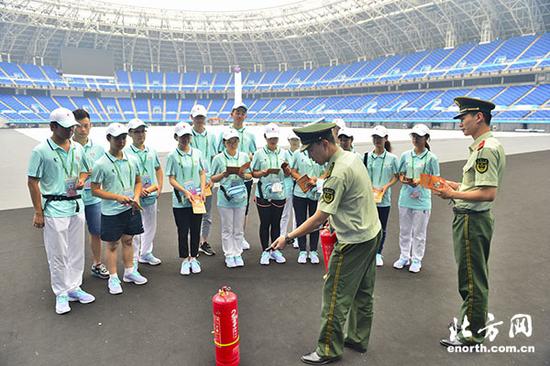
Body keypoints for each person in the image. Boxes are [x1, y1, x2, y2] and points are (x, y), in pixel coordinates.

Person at [271, 122, 382, 365]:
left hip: (353, 241)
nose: (310, 156)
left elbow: (318, 217)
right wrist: (336, 219)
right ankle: (358, 337)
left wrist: (288, 237)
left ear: (324, 144)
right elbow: (352, 200)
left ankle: (328, 349)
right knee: (363, 292)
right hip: (371, 233)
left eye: (311, 150)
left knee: (334, 295)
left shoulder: (337, 173)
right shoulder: (350, 158)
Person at [435, 97, 505, 347]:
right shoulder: (482, 146)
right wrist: (453, 185)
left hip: (472, 221)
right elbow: (475, 185)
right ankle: (470, 321)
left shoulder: (485, 148)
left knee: (472, 278)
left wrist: (452, 194)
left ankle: (472, 333)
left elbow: (488, 192)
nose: (460, 123)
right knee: (470, 275)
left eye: (464, 117)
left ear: (479, 117)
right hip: (472, 219)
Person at [27, 107, 95, 314]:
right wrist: (38, 212)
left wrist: (82, 179)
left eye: (72, 127)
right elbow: (32, 181)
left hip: (76, 205)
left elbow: (87, 168)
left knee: (76, 251)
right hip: (54, 207)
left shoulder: (77, 148)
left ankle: (74, 287)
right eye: (66, 128)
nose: (70, 131)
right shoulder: (40, 151)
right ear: (52, 127)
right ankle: (61, 293)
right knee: (58, 253)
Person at [91, 123, 147, 295]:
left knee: (129, 240)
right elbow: (95, 189)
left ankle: (129, 271)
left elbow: (138, 181)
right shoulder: (101, 163)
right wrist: (117, 197)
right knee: (112, 244)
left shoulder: (132, 159)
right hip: (111, 211)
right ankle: (113, 277)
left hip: (130, 207)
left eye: (123, 137)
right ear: (109, 139)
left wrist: (136, 197)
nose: (121, 141)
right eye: (117, 138)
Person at [393, 124, 440, 273]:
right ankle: (404, 256)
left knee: (419, 232)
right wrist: (404, 179)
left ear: (426, 138)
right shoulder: (406, 155)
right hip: (406, 197)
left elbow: (437, 180)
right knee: (405, 230)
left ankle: (416, 259)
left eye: (419, 136)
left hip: (422, 200)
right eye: (413, 136)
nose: (415, 139)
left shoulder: (432, 158)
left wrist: (420, 181)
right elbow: (399, 174)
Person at [72, 109, 109, 279]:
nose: (83, 130)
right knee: (73, 235)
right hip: (73, 197)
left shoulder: (99, 149)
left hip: (94, 197)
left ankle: (97, 264)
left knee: (96, 231)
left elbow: (106, 171)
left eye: (86, 126)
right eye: (79, 126)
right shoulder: (68, 147)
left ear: (91, 126)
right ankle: (73, 269)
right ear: (73, 127)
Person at [166, 122, 206, 275]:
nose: (185, 139)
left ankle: (194, 257)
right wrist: (184, 191)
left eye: (188, 136)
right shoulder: (172, 156)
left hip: (196, 199)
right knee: (183, 230)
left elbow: (202, 173)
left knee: (196, 229)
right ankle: (185, 259)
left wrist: (202, 190)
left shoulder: (197, 153)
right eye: (182, 136)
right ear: (176, 137)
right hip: (181, 200)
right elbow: (171, 179)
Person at [211, 129, 252, 268]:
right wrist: (224, 174)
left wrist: (242, 175)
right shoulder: (218, 158)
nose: (232, 144)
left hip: (240, 196)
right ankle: (229, 254)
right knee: (227, 227)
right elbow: (212, 177)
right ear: (224, 143)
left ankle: (237, 253)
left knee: (238, 227)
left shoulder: (244, 156)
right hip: (225, 197)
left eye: (235, 141)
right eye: (229, 141)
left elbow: (249, 175)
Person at [218, 102, 257, 250]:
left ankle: (241, 237)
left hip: (244, 176)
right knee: (228, 206)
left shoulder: (250, 134)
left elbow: (254, 154)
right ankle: (230, 240)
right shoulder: (225, 133)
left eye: (242, 113)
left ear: (245, 115)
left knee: (243, 207)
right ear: (232, 114)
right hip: (229, 177)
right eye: (237, 112)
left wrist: (247, 164)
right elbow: (218, 153)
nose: (239, 115)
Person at [125, 118, 163, 267]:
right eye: (137, 132)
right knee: (135, 229)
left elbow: (158, 168)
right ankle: (133, 259)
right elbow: (126, 175)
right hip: (136, 197)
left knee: (150, 226)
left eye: (142, 131)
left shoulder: (151, 151)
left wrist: (159, 186)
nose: (140, 135)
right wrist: (136, 192)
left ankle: (146, 253)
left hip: (151, 195)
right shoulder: (126, 153)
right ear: (130, 134)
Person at [251, 123, 290, 265]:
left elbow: (288, 174)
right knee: (265, 223)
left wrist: (286, 169)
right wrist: (263, 173)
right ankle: (265, 251)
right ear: (265, 137)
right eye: (270, 138)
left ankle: (275, 250)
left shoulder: (283, 153)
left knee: (276, 223)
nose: (273, 141)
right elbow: (253, 173)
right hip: (264, 193)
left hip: (279, 193)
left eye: (275, 138)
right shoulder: (259, 153)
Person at [365, 125, 399, 267]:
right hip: (369, 198)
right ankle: (368, 253)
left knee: (381, 227)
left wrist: (386, 186)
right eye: (375, 137)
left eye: (380, 137)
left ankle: (378, 253)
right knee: (367, 226)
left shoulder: (392, 158)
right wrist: (369, 186)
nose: (377, 140)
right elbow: (363, 175)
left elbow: (397, 176)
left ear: (386, 139)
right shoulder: (366, 157)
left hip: (384, 199)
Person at [290, 137, 326, 264]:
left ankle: (314, 250)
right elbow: (292, 170)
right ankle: (302, 250)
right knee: (301, 221)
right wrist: (303, 179)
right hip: (300, 193)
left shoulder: (319, 152)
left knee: (316, 222)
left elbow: (327, 171)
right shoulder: (297, 153)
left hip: (316, 192)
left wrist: (316, 180)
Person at [189, 104, 218, 256]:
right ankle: (193, 244)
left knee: (207, 215)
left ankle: (203, 242)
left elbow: (214, 157)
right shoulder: (187, 135)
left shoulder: (212, 136)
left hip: (207, 182)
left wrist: (212, 178)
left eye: (202, 117)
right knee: (193, 214)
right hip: (192, 184)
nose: (200, 120)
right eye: (197, 117)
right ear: (191, 118)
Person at [280, 131, 301, 249]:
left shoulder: (302, 153)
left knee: (297, 214)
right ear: (289, 141)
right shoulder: (284, 154)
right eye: (293, 140)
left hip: (299, 186)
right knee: (285, 213)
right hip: (287, 185)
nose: (295, 142)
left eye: (297, 140)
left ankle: (296, 236)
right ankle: (282, 236)